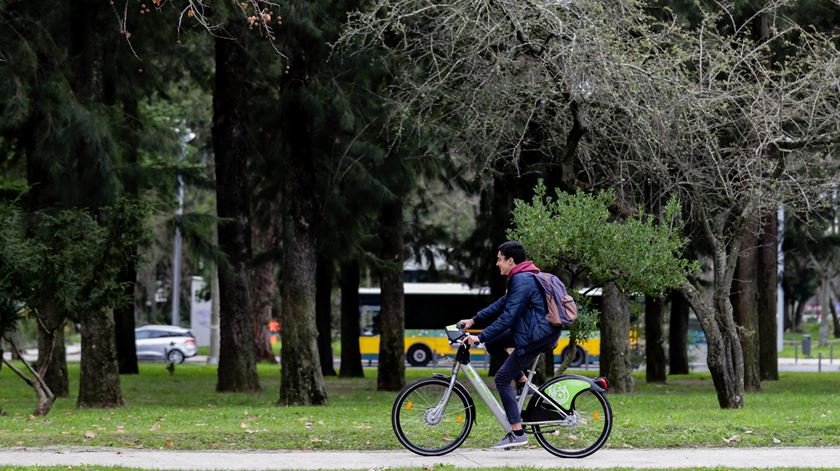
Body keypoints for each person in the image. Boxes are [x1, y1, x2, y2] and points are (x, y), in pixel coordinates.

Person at [459, 240, 562, 449]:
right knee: (494, 344)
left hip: (535, 337)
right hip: (531, 332)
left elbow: (507, 317)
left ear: (511, 260)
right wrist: (475, 320)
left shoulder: (522, 280)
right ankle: (524, 381)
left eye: (499, 259)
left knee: (502, 378)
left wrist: (479, 337)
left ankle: (517, 432)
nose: (497, 264)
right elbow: (503, 304)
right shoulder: (522, 277)